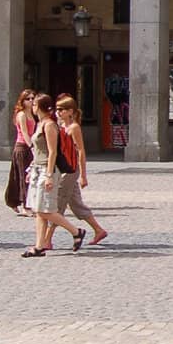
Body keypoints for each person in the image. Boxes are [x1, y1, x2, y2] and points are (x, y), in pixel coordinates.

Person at [22, 94, 85, 257]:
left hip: (47, 170)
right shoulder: (39, 123)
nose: (32, 106)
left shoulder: (49, 125)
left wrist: (49, 175)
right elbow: (38, 151)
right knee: (38, 210)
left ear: (40, 107)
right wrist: (31, 168)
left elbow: (52, 152)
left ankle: (76, 231)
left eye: (34, 104)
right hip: (37, 169)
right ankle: (39, 246)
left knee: (45, 210)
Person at [48, 96, 107, 247]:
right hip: (63, 168)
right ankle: (99, 230)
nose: (58, 112)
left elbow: (81, 151)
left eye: (61, 109)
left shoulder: (74, 127)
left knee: (57, 204)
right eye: (57, 109)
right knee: (75, 204)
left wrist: (83, 175)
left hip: (71, 169)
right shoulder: (59, 125)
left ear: (70, 111)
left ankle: (47, 240)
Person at [4, 90, 36, 216]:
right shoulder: (21, 114)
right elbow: (24, 132)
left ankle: (14, 201)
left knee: (23, 177)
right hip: (22, 147)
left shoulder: (31, 114)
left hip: (28, 147)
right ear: (22, 101)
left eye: (33, 98)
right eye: (28, 99)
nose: (31, 100)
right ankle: (25, 206)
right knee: (23, 177)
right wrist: (32, 147)